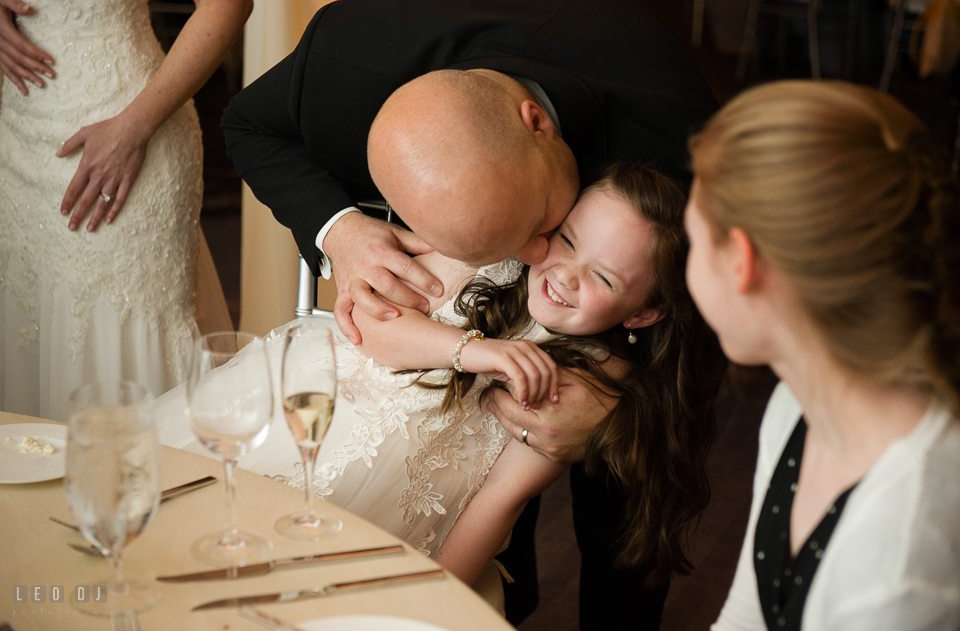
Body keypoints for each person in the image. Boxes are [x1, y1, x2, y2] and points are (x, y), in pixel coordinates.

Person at [221, 0, 719, 624]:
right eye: (536, 240)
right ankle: (520, 593)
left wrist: (622, 403)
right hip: (356, 412)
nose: (536, 257)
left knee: (625, 503)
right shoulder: (347, 57)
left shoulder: (683, 137)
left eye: (544, 222)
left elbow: (706, 316)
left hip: (632, 312)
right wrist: (339, 229)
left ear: (538, 123)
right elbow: (248, 124)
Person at [156, 162, 723, 612]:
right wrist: (475, 352)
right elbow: (373, 329)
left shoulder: (588, 384)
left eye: (602, 276)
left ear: (644, 315)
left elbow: (500, 500)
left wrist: (422, 602)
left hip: (392, 503)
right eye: (569, 240)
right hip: (303, 403)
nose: (565, 275)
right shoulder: (492, 248)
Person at [683, 80, 960, 630]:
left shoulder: (896, 560)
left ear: (742, 263)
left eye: (692, 241)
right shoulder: (797, 405)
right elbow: (747, 615)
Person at [0, 0, 250, 420]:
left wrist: (135, 126)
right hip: (19, 142)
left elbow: (228, 4)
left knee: (114, 333)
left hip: (127, 135)